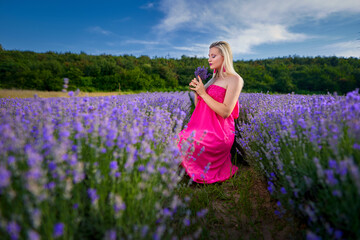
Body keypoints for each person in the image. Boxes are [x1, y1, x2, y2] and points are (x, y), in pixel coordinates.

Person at [177, 41, 244, 184]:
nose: (209, 59)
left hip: (220, 134)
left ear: (224, 57)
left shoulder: (235, 79)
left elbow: (226, 112)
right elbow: (201, 108)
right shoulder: (213, 80)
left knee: (183, 143)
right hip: (204, 128)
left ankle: (184, 175)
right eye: (209, 56)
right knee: (176, 139)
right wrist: (198, 93)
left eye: (213, 56)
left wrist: (204, 93)